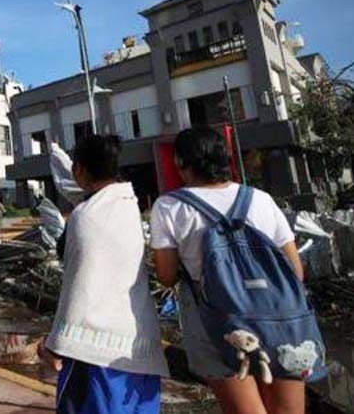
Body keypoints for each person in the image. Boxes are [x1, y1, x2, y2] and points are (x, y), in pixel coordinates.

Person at [150, 127, 307, 414]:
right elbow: (295, 271)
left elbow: (167, 276)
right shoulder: (261, 199)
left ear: (181, 163)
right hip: (279, 317)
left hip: (218, 324)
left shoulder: (169, 207)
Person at [40, 135, 168, 414]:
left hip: (95, 351)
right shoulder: (128, 204)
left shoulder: (84, 216)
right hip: (138, 342)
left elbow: (79, 285)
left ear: (79, 170)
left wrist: (55, 344)